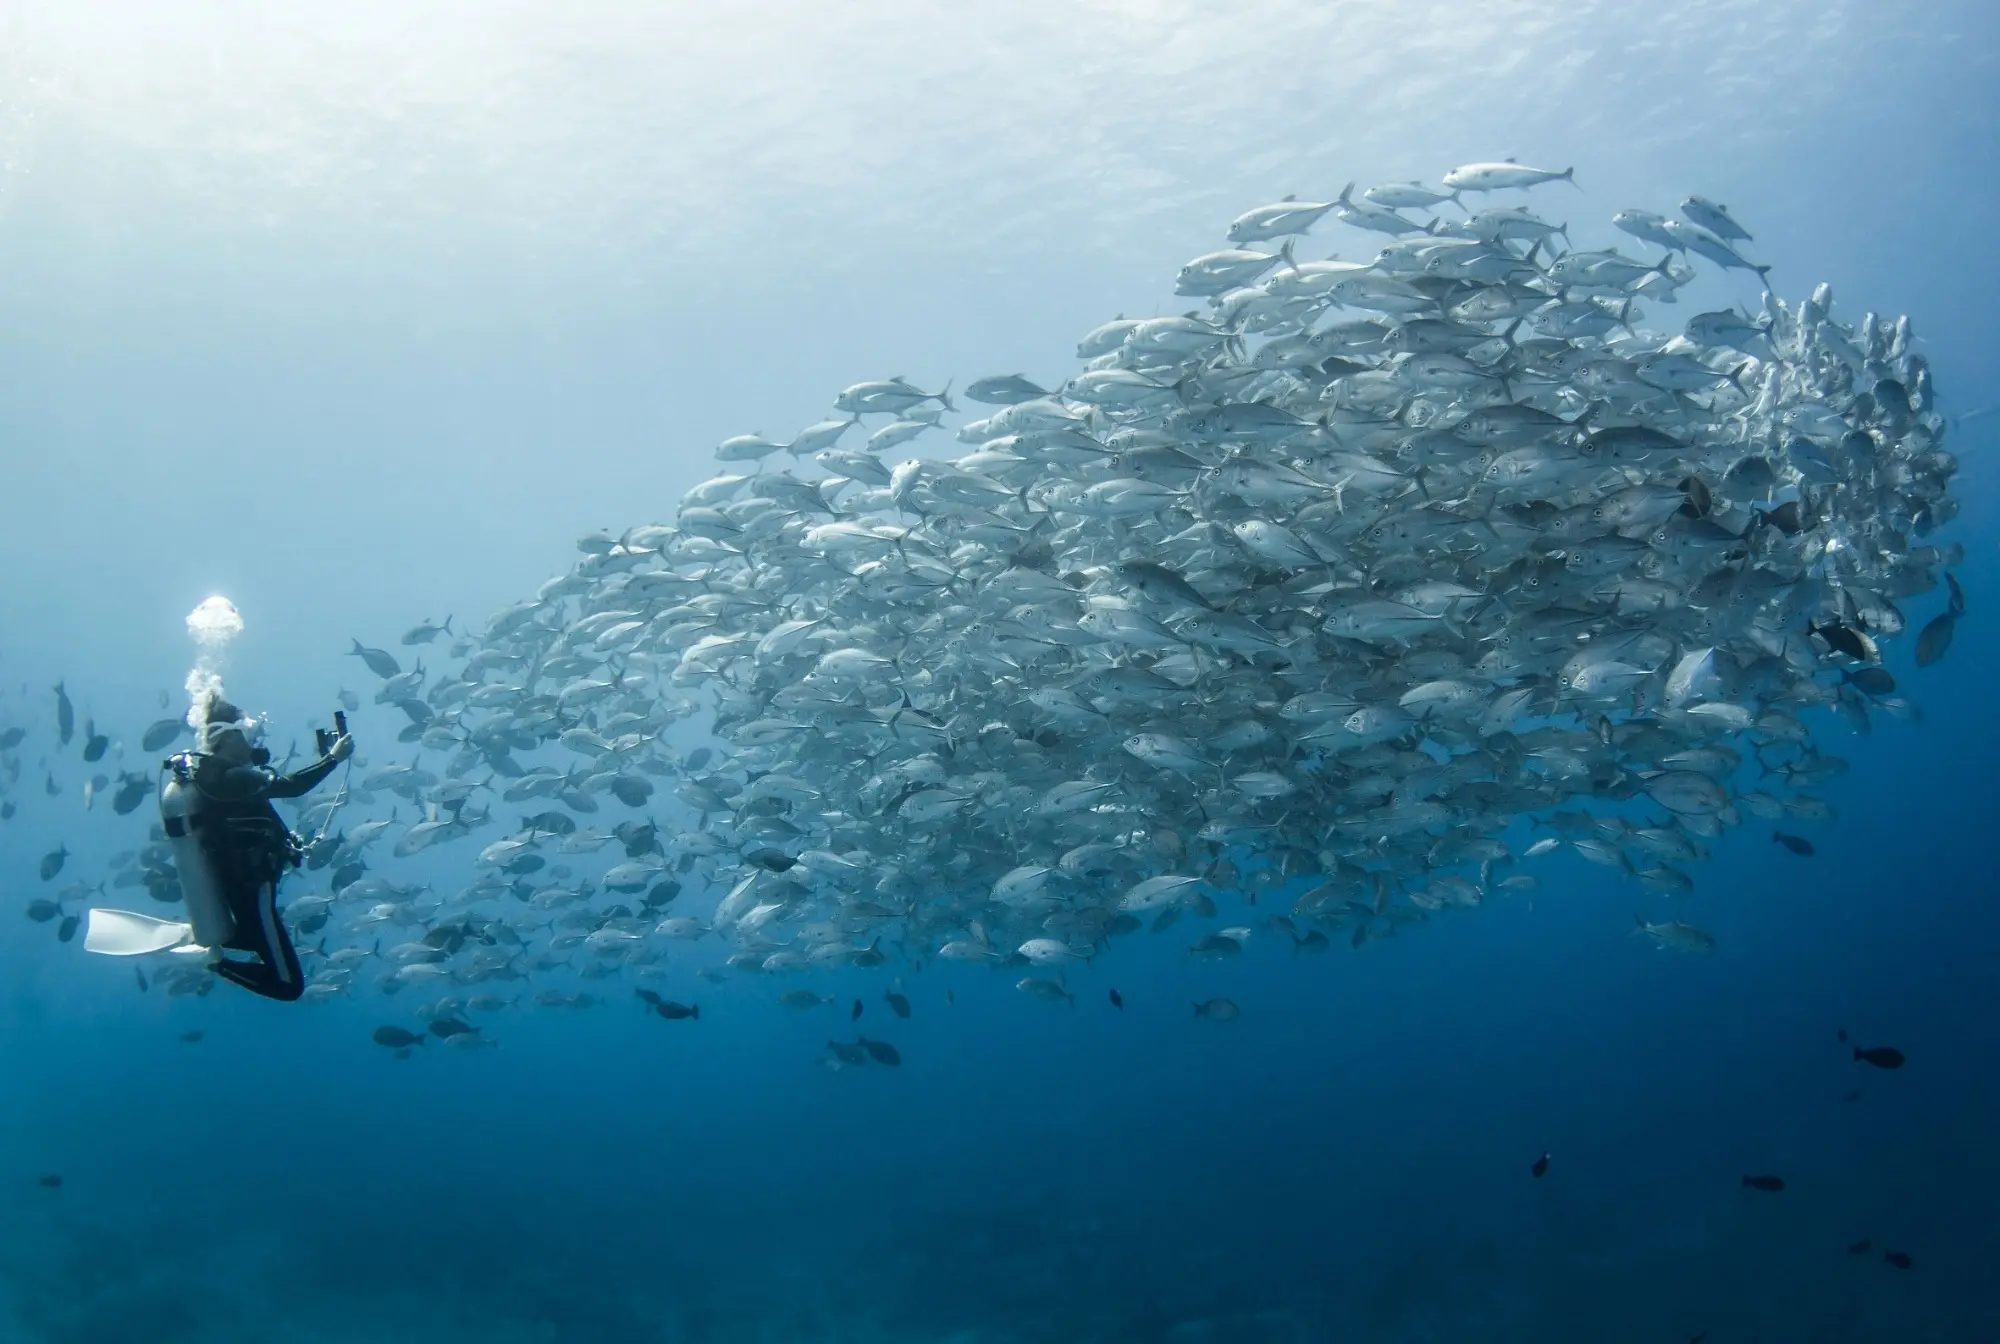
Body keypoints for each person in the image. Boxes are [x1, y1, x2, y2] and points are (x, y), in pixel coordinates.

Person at [180, 698, 351, 1001]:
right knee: (288, 986)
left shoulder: (220, 775)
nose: (254, 738)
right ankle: (217, 964)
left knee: (259, 940)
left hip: (247, 890)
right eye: (246, 730)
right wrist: (333, 759)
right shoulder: (228, 776)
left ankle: (227, 939)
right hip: (251, 892)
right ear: (228, 737)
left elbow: (261, 818)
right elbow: (290, 786)